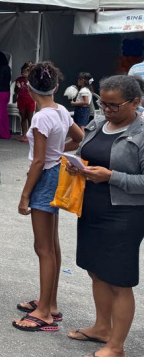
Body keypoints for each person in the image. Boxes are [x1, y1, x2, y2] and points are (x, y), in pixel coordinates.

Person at [66, 75, 144, 357]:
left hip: (125, 213)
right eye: (104, 103)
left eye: (115, 105)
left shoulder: (141, 132)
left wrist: (112, 177)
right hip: (90, 207)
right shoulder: (98, 122)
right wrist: (78, 165)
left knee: (119, 280)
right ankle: (102, 328)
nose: (107, 110)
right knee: (95, 271)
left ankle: (116, 346)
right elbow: (85, 150)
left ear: (136, 102)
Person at [13, 62, 84, 332]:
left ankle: (44, 312)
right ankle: (49, 303)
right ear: (56, 87)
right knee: (51, 245)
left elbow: (39, 161)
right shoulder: (62, 110)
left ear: (29, 89)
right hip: (57, 174)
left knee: (43, 248)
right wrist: (59, 153)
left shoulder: (41, 117)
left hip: (44, 179)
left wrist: (24, 196)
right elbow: (79, 138)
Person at [14, 62, 35, 143]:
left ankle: (31, 135)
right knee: (23, 117)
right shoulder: (18, 80)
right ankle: (24, 135)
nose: (23, 73)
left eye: (25, 72)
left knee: (30, 118)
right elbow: (16, 91)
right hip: (21, 100)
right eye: (22, 71)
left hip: (30, 100)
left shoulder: (32, 80)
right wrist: (17, 87)